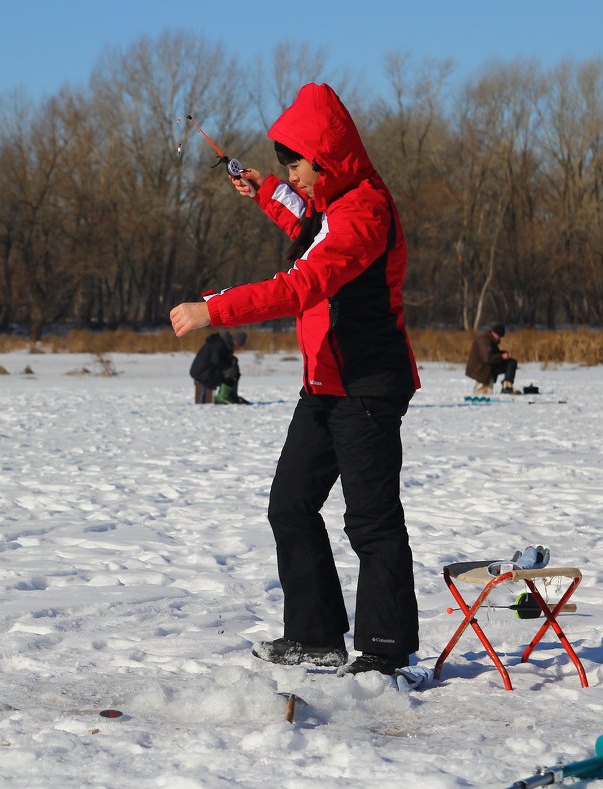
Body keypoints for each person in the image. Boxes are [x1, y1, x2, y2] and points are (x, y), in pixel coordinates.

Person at [169, 83, 421, 676]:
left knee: (371, 521)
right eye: (287, 166)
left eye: (297, 165)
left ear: (326, 155)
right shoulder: (334, 207)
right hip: (326, 384)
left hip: (366, 383)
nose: (294, 176)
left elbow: (301, 284)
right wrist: (265, 190)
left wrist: (215, 308)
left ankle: (386, 654)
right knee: (290, 505)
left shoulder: (365, 210)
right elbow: (307, 221)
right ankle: (316, 637)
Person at [190, 330, 249, 404]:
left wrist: (232, 360)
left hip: (208, 370)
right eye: (239, 346)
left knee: (234, 369)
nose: (238, 349)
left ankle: (232, 396)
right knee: (231, 371)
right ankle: (222, 397)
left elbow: (220, 358)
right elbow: (216, 360)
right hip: (202, 372)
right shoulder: (218, 343)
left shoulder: (224, 343)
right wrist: (229, 365)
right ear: (236, 342)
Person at [465, 323, 518, 394]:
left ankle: (507, 386)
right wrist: (502, 356)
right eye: (499, 336)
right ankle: (482, 388)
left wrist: (504, 354)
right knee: (510, 363)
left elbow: (493, 353)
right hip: (480, 369)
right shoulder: (484, 340)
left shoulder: (490, 339)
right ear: (494, 333)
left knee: (511, 363)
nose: (500, 338)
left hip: (486, 366)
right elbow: (487, 358)